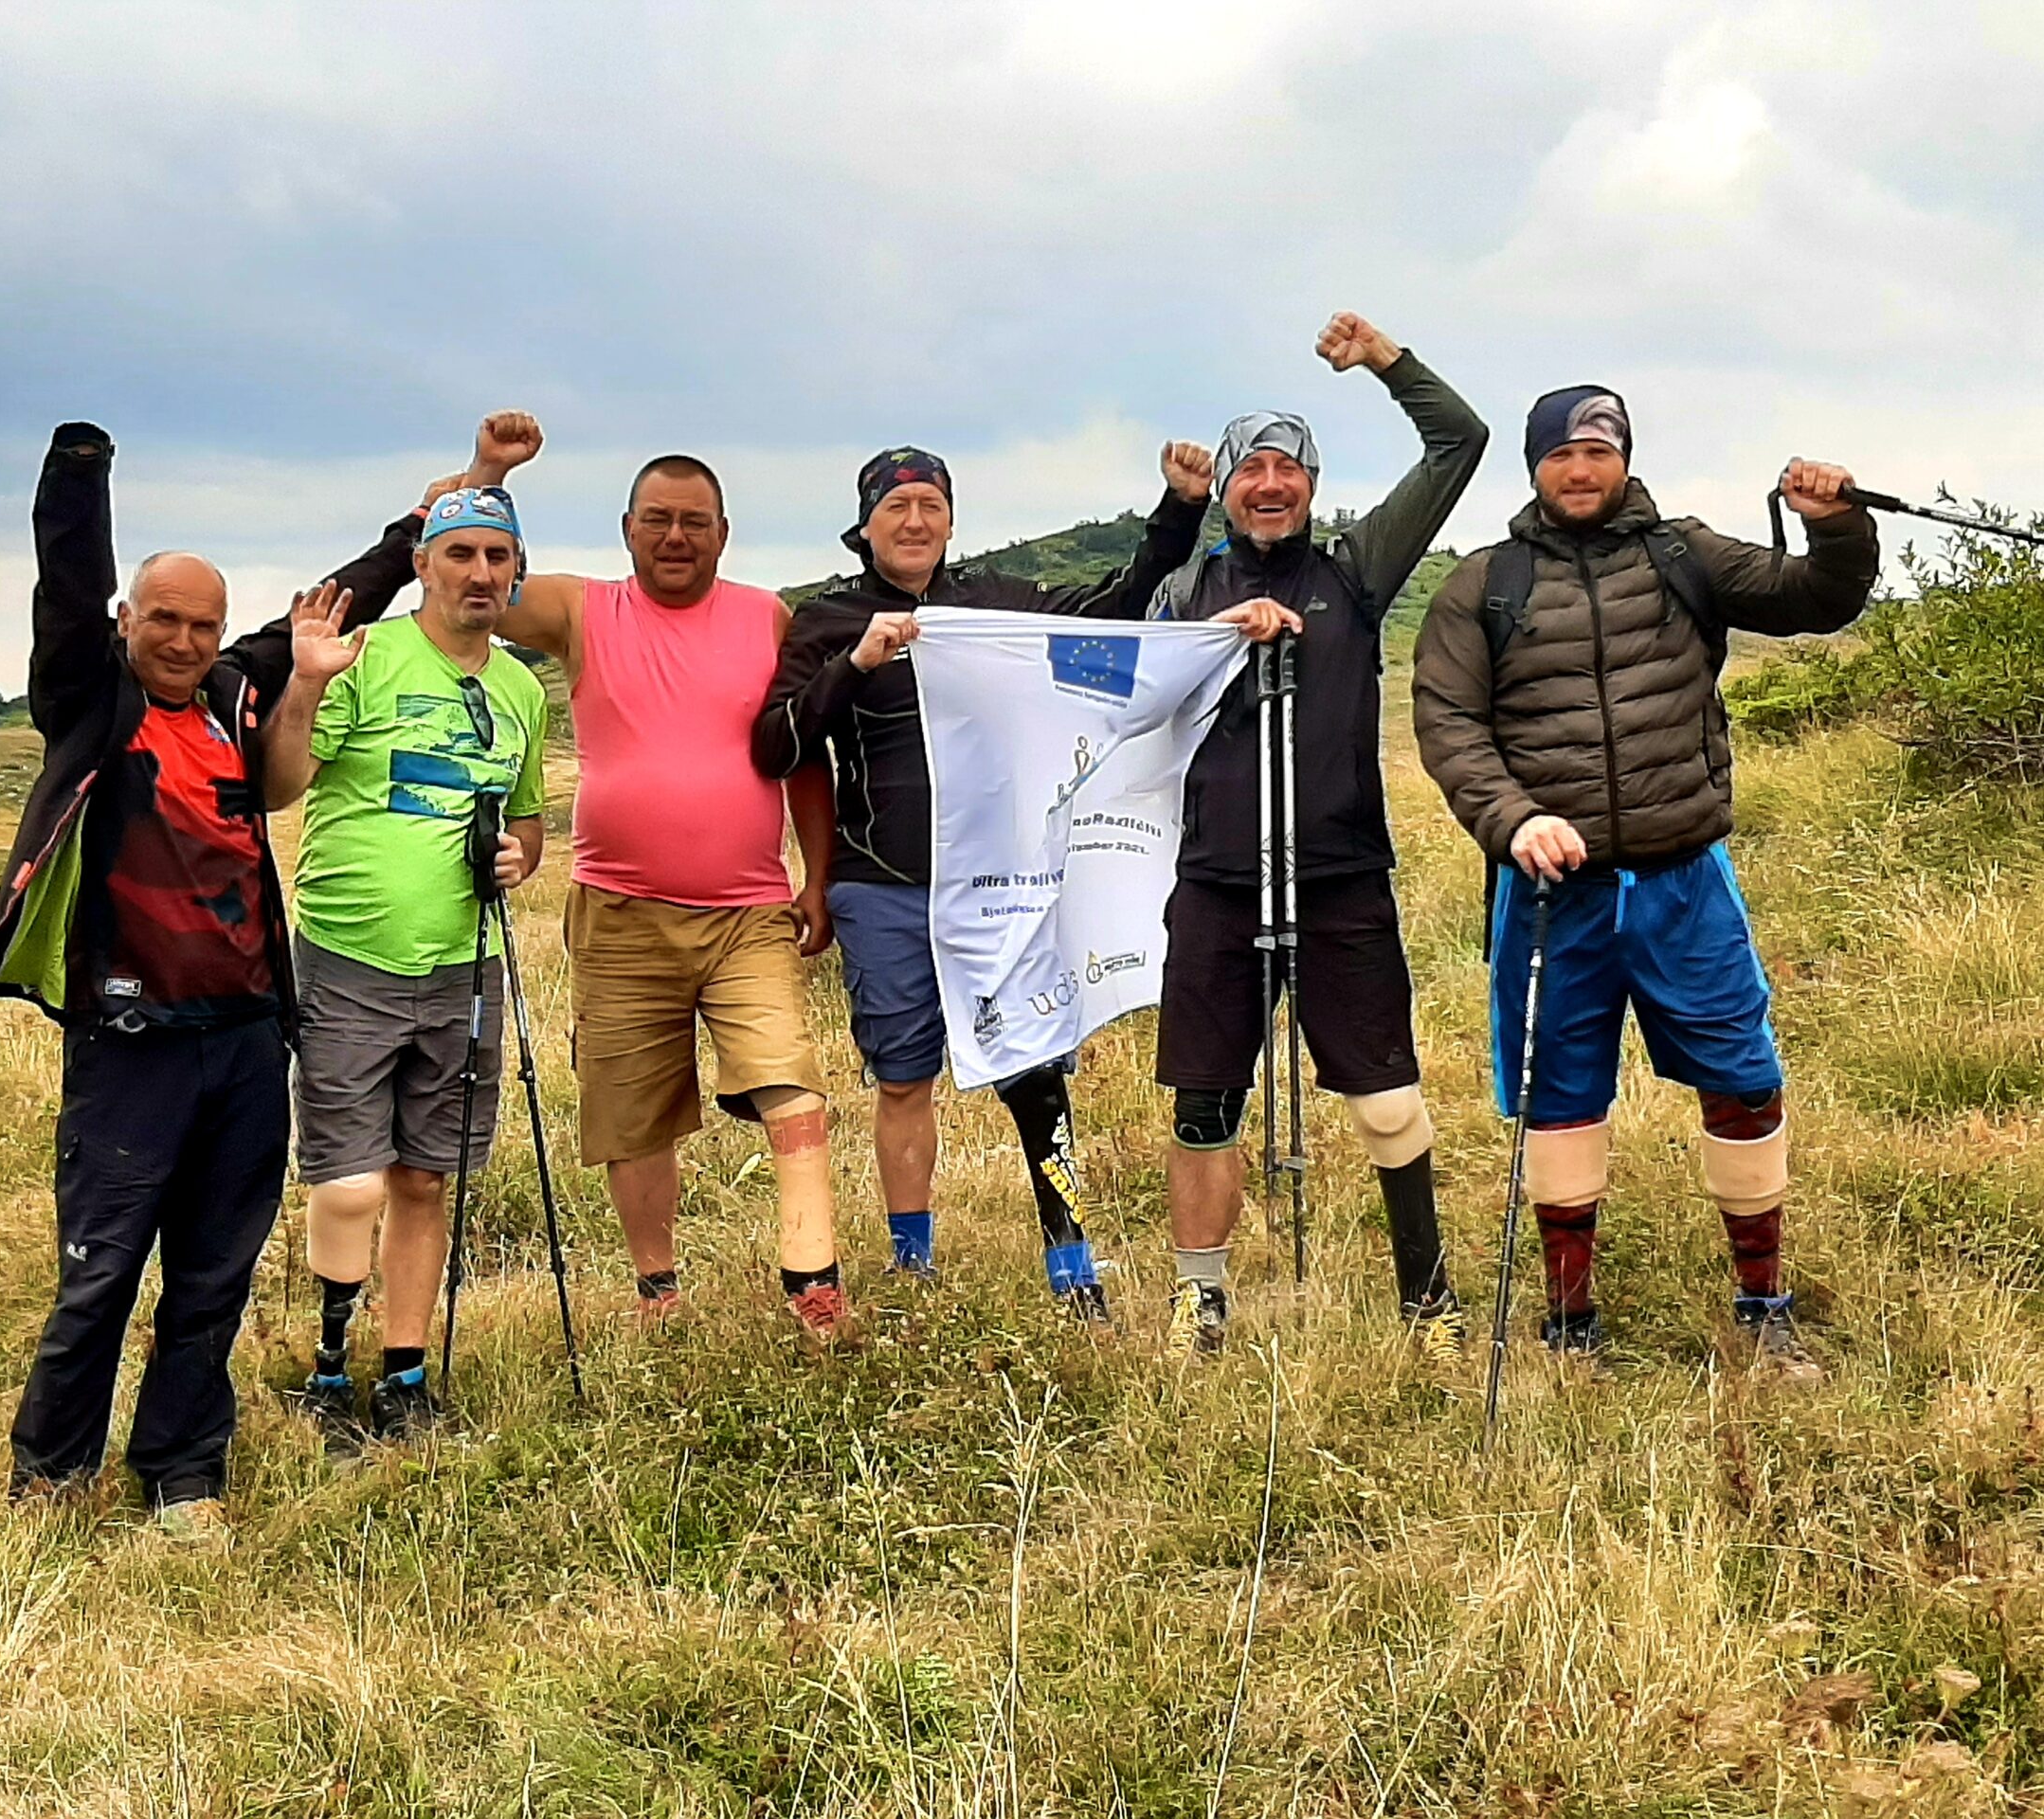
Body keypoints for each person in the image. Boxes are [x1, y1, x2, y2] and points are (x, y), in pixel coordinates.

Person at [0, 422, 424, 1539]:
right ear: (128, 621)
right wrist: (80, 475)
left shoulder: (231, 694)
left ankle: (183, 1473)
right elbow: (67, 592)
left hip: (248, 1037)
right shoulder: (93, 701)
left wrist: (428, 519)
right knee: (103, 1274)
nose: (182, 639)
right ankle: (51, 1476)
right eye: (161, 618)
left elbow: (334, 606)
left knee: (213, 1278)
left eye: (202, 624)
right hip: (131, 1044)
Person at [354, 413, 854, 1343]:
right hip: (620, 911)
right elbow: (473, 582)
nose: (675, 536)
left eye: (694, 521)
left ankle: (813, 1281)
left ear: (724, 533)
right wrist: (488, 471)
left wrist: (817, 878)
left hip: (747, 910)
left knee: (792, 1085)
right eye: (657, 519)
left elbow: (800, 753)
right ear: (627, 529)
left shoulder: (766, 617)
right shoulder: (582, 609)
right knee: (634, 1116)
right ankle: (658, 1292)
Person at [1413, 385, 1877, 1371]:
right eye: (1561, 454)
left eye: (1598, 450)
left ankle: (1763, 1308)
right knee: (1558, 1099)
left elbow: (1816, 599)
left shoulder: (1685, 553)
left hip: (1684, 881)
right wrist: (1514, 819)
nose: (1579, 469)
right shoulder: (1483, 584)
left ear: (1623, 459)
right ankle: (1570, 1325)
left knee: (1744, 1083)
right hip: (1551, 897)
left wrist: (1836, 525)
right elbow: (1449, 724)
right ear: (1535, 466)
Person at [751, 440, 1216, 1317]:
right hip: (883, 885)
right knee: (902, 1077)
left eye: (930, 506)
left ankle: (1073, 1266)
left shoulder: (994, 605)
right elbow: (775, 744)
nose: (914, 521)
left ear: (952, 521)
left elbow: (1109, 612)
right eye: (895, 507)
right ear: (865, 526)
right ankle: (912, 1261)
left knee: (1036, 1072)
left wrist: (1179, 510)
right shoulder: (830, 619)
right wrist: (855, 666)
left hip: (1001, 890)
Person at [1147, 314, 1489, 1359]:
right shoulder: (1183, 592)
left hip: (1340, 876)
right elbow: (1130, 696)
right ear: (1226, 490)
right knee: (1203, 1104)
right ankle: (1200, 1302)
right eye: (1250, 469)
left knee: (1386, 1098)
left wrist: (1385, 359)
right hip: (1216, 880)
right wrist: (1219, 635)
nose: (1269, 484)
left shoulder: (1356, 570)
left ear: (1310, 484)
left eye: (1287, 468)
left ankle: (1427, 1301)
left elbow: (1460, 444)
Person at [259, 486, 548, 1441]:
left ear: (516, 571)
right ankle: (329, 1370)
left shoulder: (520, 691)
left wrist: (520, 858)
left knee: (427, 1177)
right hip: (348, 956)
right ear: (423, 565)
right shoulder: (366, 658)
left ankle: (405, 1375)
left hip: (467, 967)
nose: (480, 574)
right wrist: (306, 683)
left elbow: (529, 821)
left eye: (497, 557)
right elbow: (280, 785)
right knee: (349, 1181)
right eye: (459, 554)